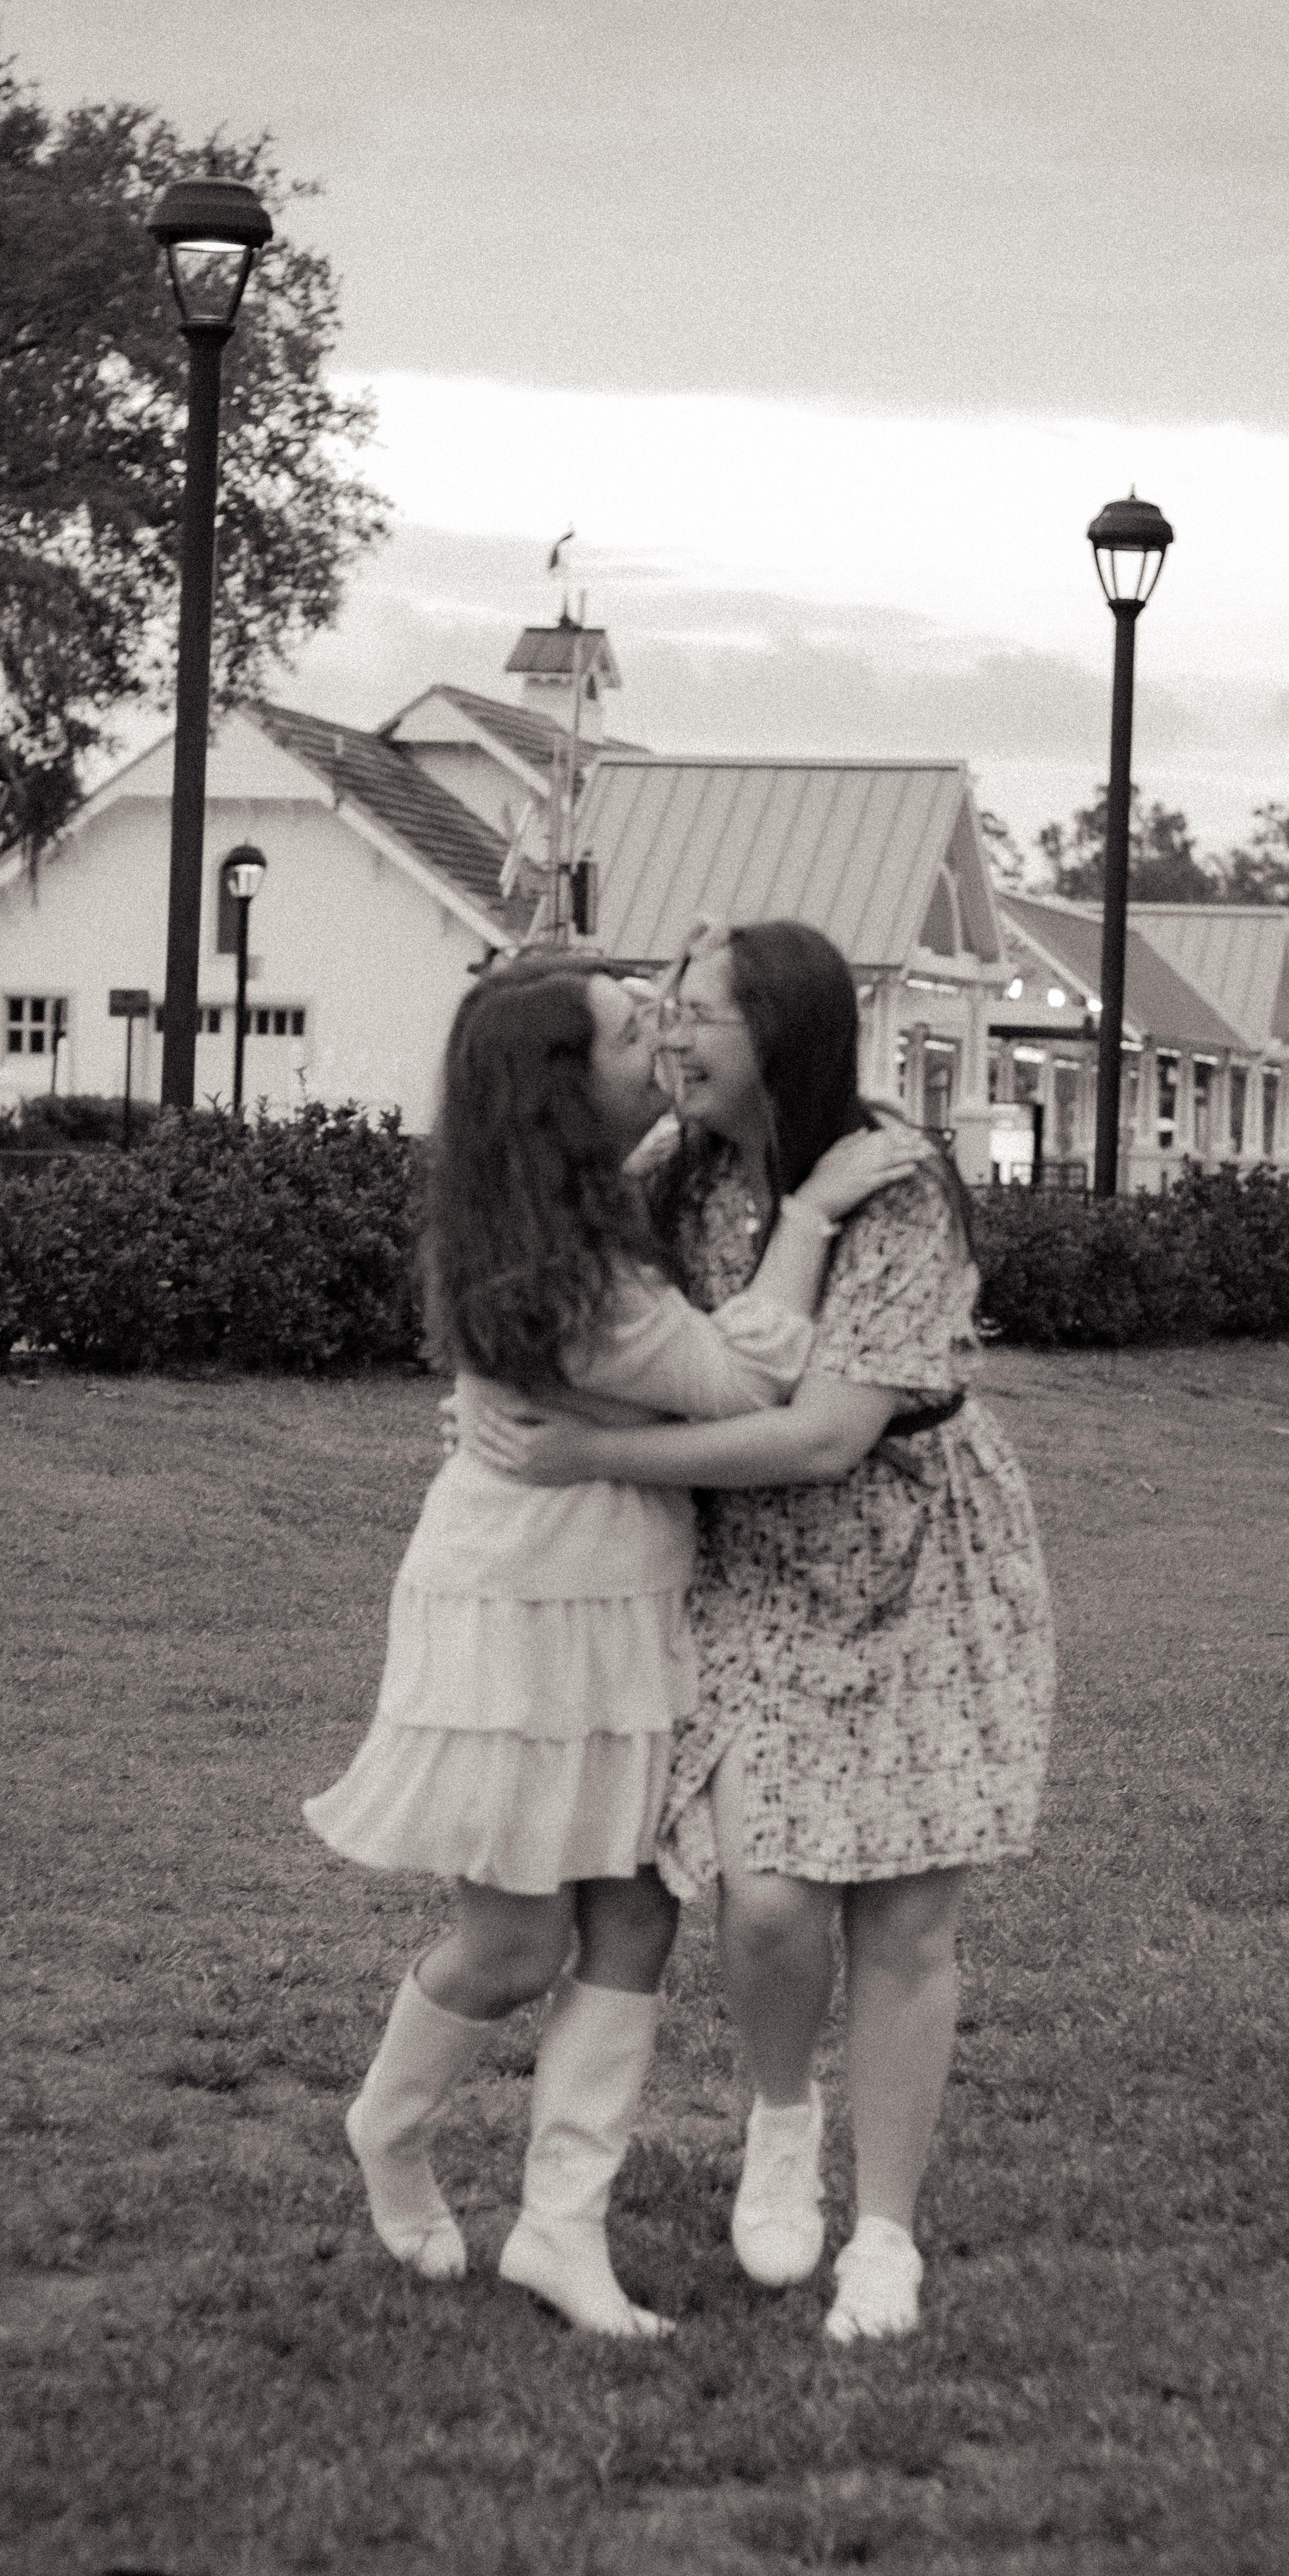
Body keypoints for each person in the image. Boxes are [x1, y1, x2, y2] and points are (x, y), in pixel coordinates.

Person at [304, 954, 924, 2339]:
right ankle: (388, 2125)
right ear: (563, 1095)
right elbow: (749, 1378)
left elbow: (670, 1358)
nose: (668, 1043)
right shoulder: (564, 1269)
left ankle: (560, 2232)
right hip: (523, 1613)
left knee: (638, 1909)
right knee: (517, 1941)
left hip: (630, 1602)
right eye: (637, 1034)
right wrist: (811, 1214)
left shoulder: (579, 1195)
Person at [467, 920, 1058, 2345]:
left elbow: (824, 1437)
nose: (670, 1037)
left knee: (906, 1917)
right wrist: (505, 1406)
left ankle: (886, 2237)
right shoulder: (676, 1172)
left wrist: (591, 1455)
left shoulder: (890, 1182)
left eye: (697, 1015)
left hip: (916, 1556)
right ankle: (782, 2120)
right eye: (660, 1013)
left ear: (778, 1035)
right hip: (749, 1568)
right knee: (773, 1895)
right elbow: (574, 1302)